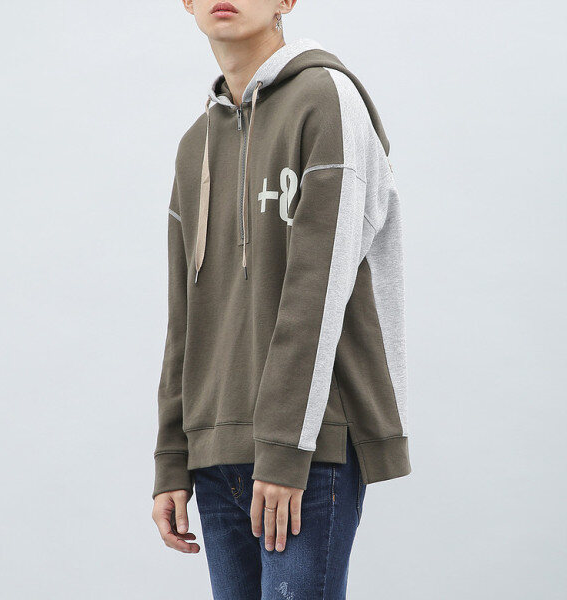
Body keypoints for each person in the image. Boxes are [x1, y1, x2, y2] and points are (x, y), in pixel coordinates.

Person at [151, 1, 411, 597]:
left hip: (311, 443)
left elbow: (319, 286)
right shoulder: (195, 145)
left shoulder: (327, 100)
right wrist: (171, 456)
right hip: (215, 447)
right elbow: (184, 316)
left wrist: (286, 447)